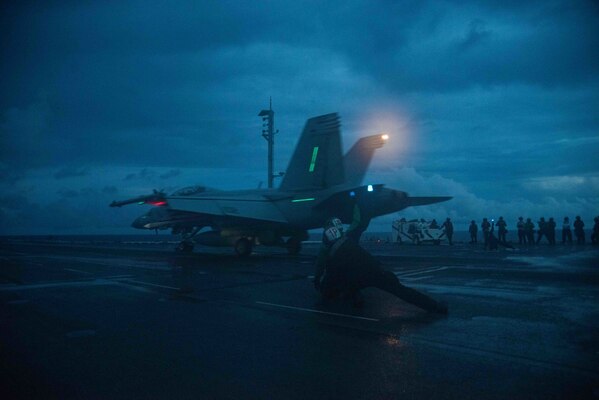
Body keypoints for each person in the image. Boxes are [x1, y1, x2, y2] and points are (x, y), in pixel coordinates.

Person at [314, 204, 447, 313]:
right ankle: (435, 306)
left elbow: (327, 272)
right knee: (401, 291)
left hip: (355, 277)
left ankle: (354, 299)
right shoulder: (350, 239)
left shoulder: (330, 251)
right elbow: (359, 228)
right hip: (374, 271)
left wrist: (319, 283)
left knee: (338, 286)